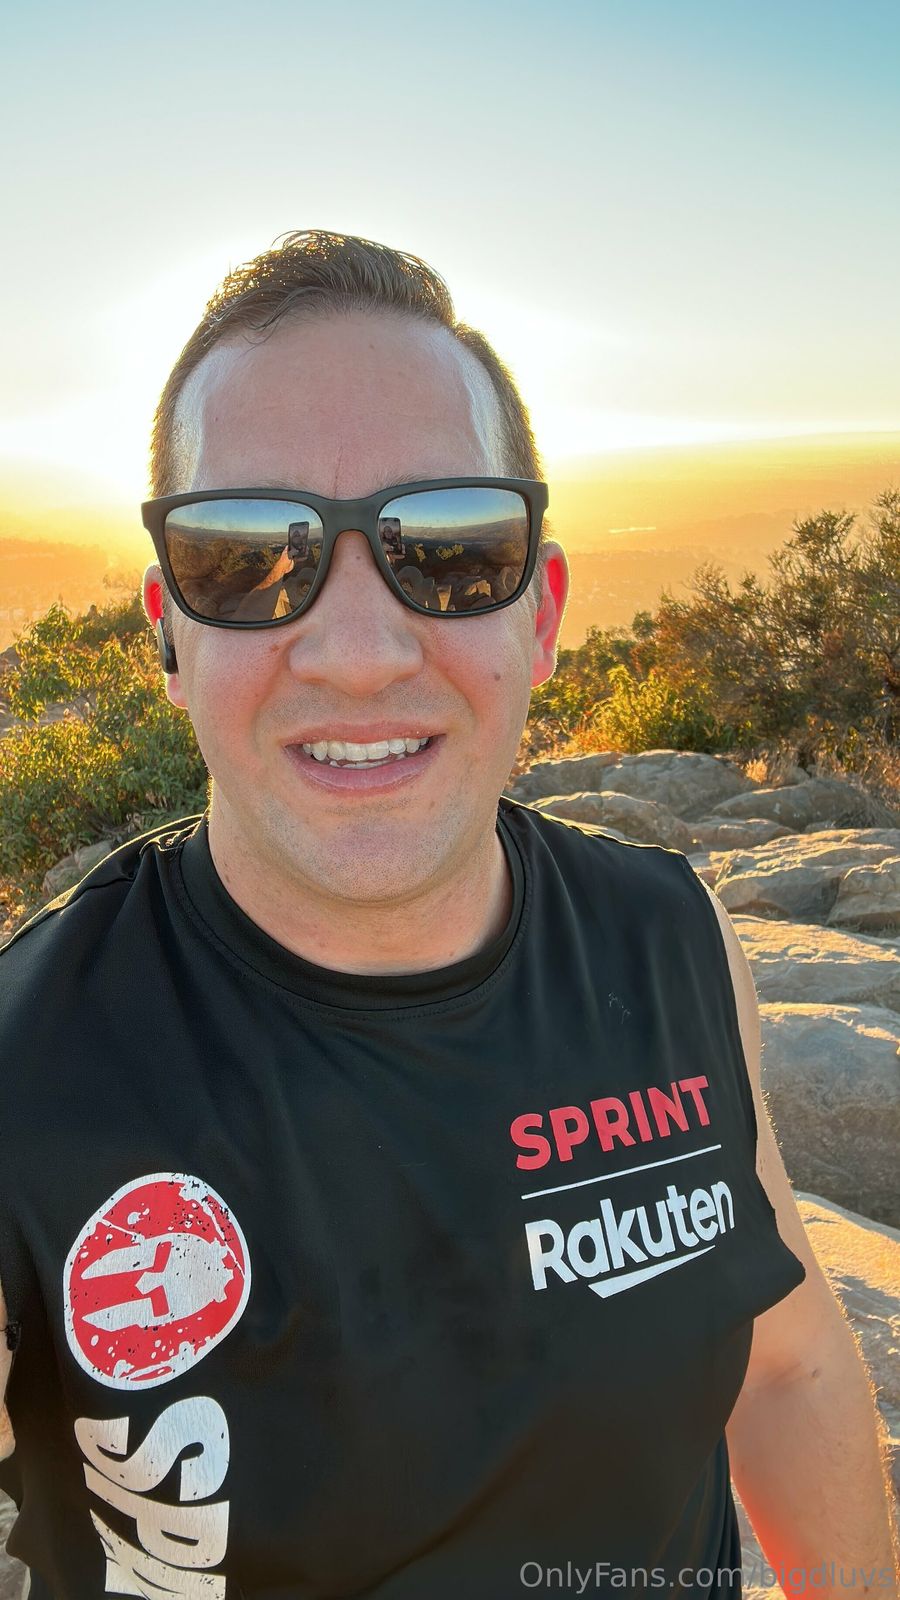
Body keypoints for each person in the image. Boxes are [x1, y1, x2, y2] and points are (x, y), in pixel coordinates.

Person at [0, 230, 896, 1600]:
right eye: (247, 560)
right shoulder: (29, 1071)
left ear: (541, 618)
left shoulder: (669, 942)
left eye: (452, 551)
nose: (359, 654)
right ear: (169, 634)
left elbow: (781, 1361)